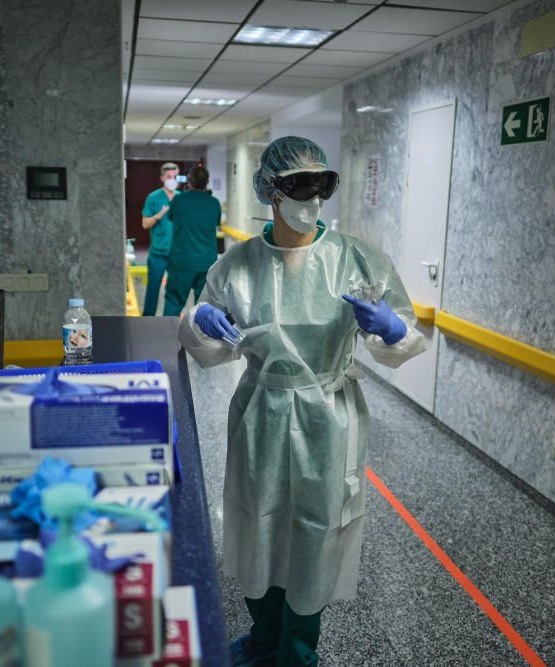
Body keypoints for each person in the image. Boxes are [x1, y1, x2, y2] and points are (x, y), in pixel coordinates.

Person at [178, 136, 426, 666]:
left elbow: (403, 341)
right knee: (256, 520)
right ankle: (263, 635)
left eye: (322, 185)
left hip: (328, 418)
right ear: (271, 190)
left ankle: (296, 649)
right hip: (261, 412)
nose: (312, 198)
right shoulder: (237, 264)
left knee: (315, 531)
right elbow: (205, 340)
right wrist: (198, 319)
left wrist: (391, 328)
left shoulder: (356, 260)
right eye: (300, 185)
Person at [162, 165, 221, 317]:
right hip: (206, 263)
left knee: (174, 303)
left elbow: (170, 218)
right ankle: (199, 340)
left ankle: (167, 337)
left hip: (182, 262)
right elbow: (217, 222)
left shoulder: (179, 200)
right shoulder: (214, 203)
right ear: (206, 182)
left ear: (189, 182)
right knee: (204, 306)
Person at [140, 162, 179, 316]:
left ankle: (171, 322)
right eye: (169, 176)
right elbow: (145, 224)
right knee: (153, 289)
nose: (172, 180)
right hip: (158, 253)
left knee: (175, 291)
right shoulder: (154, 197)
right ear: (162, 178)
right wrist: (158, 216)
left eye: (175, 176)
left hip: (176, 254)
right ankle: (147, 320)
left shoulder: (181, 198)